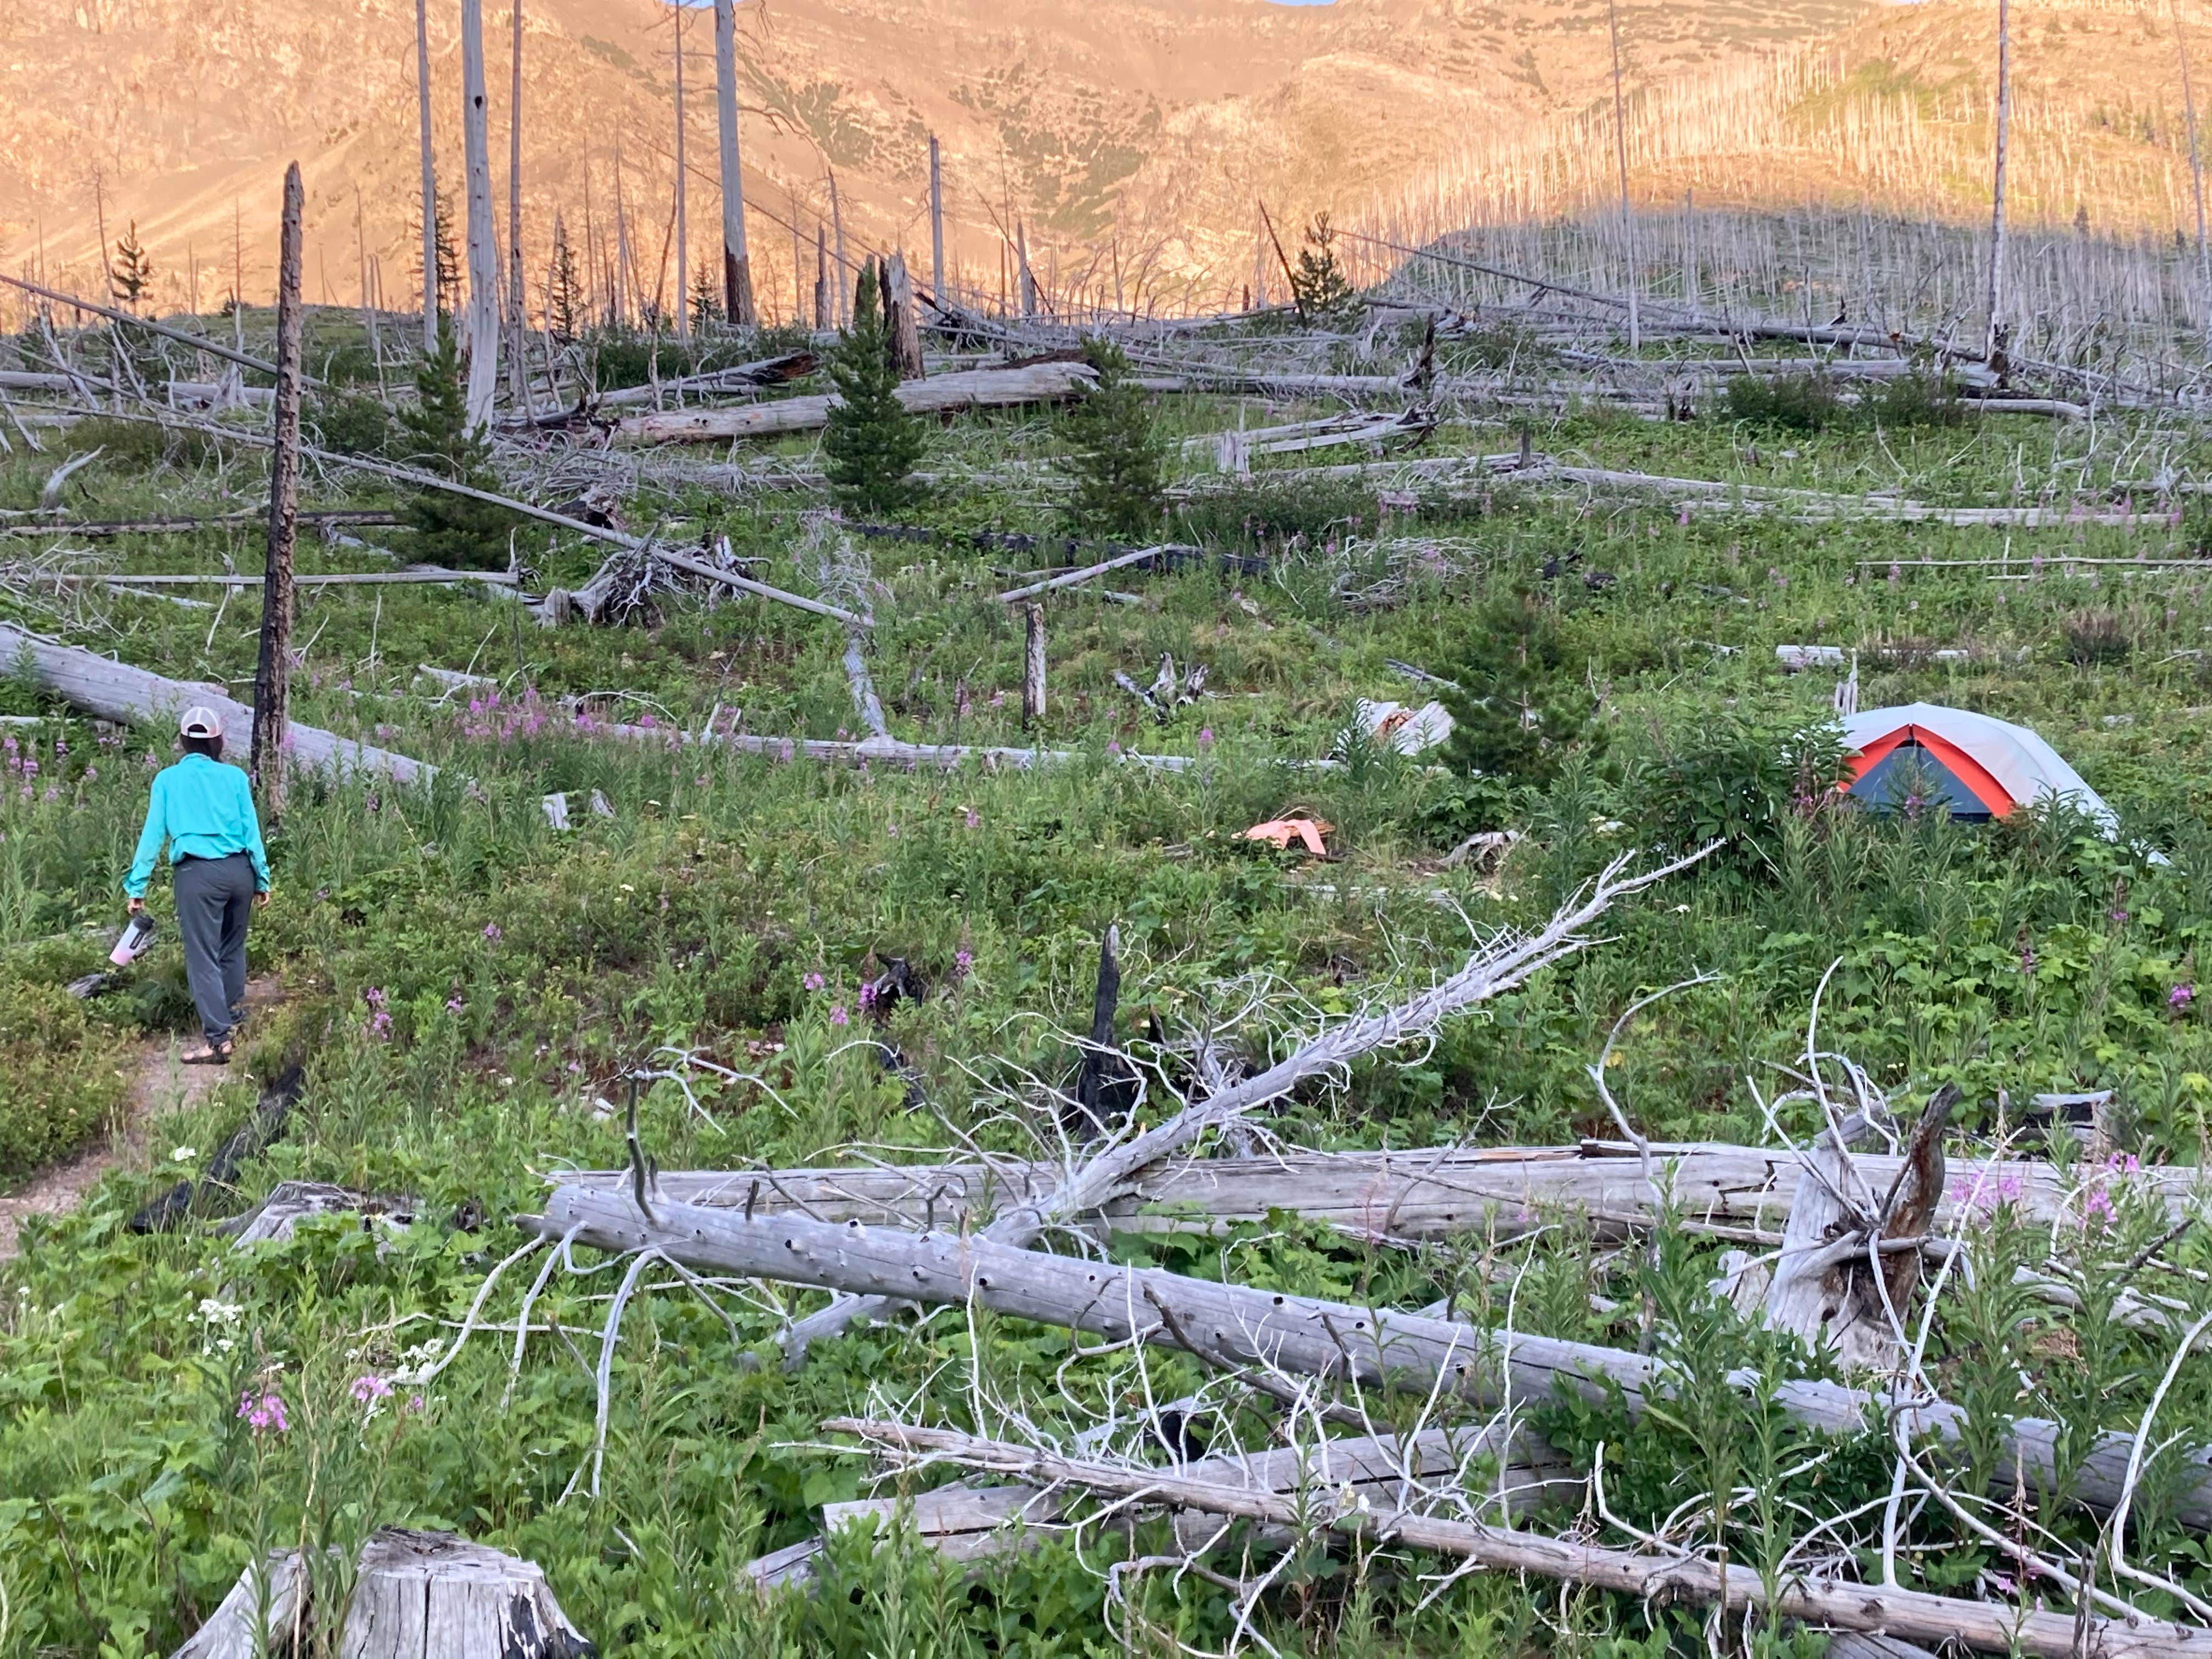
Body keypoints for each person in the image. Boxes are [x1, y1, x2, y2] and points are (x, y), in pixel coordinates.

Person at [124, 706, 270, 1065]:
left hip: (197, 875)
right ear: (218, 741)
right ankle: (231, 1016)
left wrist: (137, 884)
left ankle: (218, 1041)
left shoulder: (167, 780)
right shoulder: (235, 778)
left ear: (183, 741)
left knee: (202, 956)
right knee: (232, 947)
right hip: (239, 870)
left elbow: (153, 833)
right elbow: (251, 830)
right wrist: (262, 877)